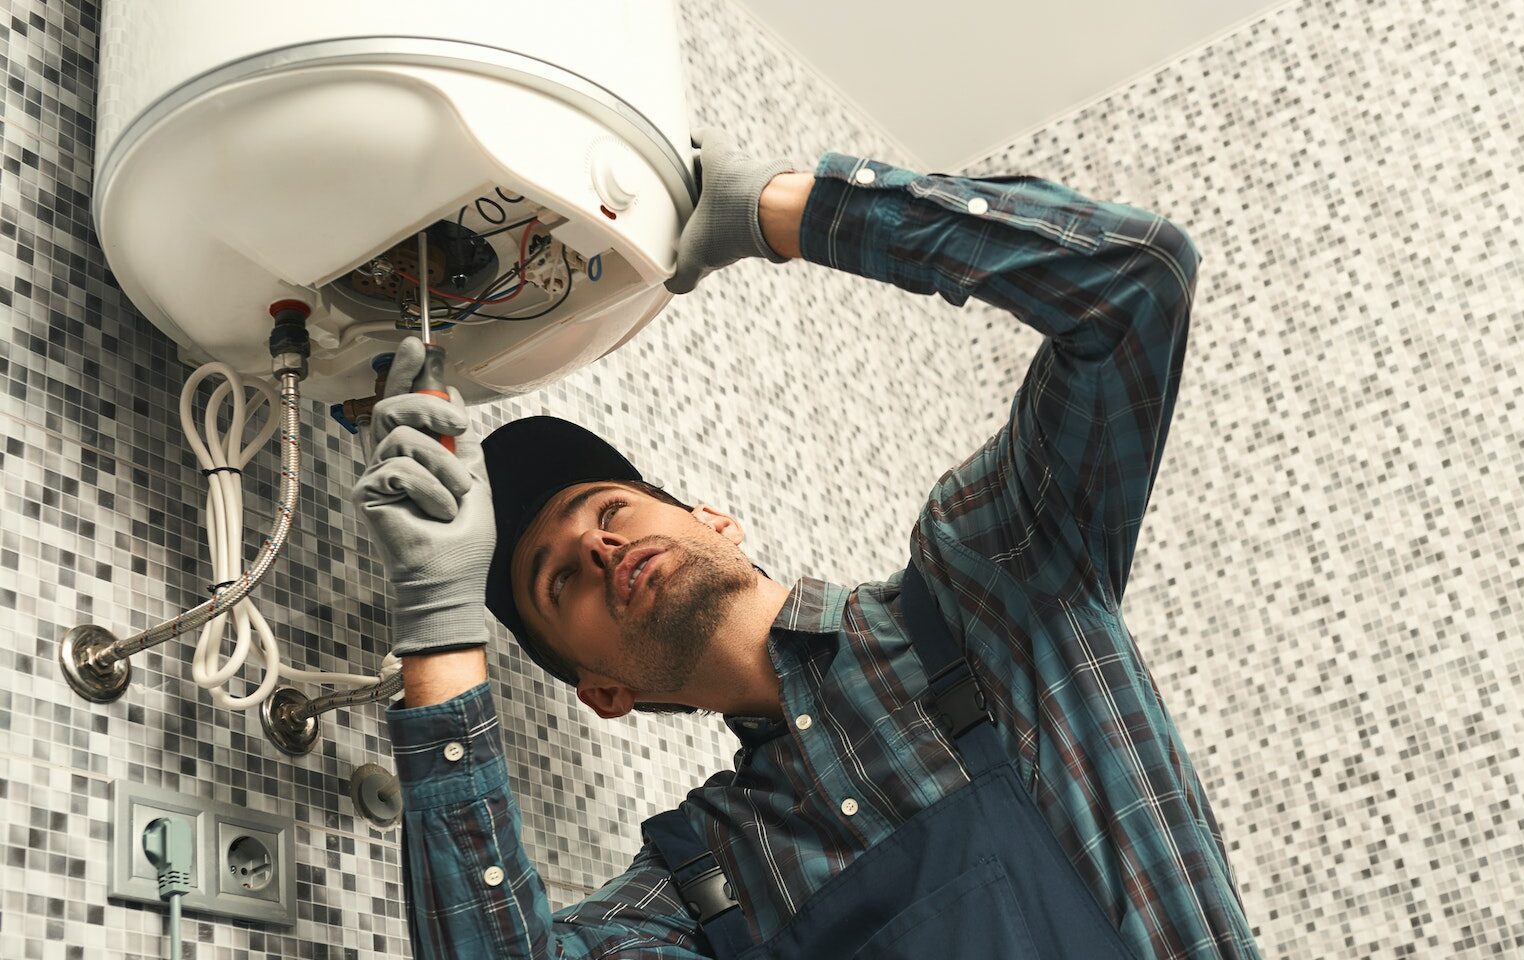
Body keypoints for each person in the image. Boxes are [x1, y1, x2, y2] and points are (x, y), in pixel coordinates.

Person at [355, 126, 1257, 959]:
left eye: (609, 508)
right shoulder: (698, 886)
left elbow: (1136, 282)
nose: (597, 548)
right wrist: (437, 618)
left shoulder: (992, 584)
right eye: (558, 582)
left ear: (713, 518)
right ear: (604, 691)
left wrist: (773, 213)